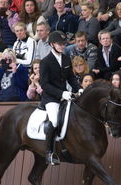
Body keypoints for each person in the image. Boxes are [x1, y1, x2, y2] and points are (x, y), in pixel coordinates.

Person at [40, 31, 81, 165]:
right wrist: (61, 93)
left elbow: (71, 78)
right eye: (60, 44)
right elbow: (45, 84)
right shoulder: (45, 62)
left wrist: (79, 89)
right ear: (52, 44)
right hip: (51, 98)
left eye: (64, 44)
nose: (63, 46)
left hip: (65, 96)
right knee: (54, 120)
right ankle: (49, 153)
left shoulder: (66, 59)